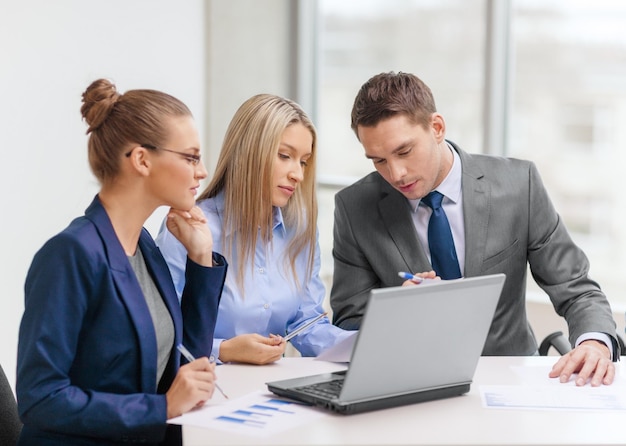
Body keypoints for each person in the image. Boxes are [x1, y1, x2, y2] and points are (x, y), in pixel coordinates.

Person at [330, 71, 619, 387]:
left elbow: (575, 287)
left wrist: (595, 343)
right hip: (409, 384)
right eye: (378, 161)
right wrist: (398, 315)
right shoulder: (355, 207)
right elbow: (347, 322)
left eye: (404, 152)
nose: (396, 173)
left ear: (437, 127)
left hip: (508, 381)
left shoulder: (518, 185)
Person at [16, 79, 227, 445]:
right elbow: (40, 398)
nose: (202, 171)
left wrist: (201, 259)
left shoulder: (144, 246)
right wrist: (161, 408)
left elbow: (187, 361)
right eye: (191, 157)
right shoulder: (71, 254)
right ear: (142, 159)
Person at [157, 93, 352, 365]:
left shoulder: (300, 229)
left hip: (270, 391)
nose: (298, 173)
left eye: (303, 161)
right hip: (206, 387)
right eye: (285, 156)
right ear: (249, 153)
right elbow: (162, 335)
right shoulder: (191, 229)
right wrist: (223, 350)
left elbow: (308, 323)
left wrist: (364, 343)